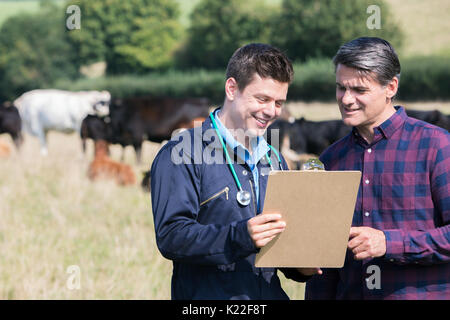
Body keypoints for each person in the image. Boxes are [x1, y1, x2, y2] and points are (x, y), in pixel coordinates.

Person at [150, 43, 320, 300]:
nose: (271, 111)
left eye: (278, 102)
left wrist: (301, 267)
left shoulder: (275, 159)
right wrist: (240, 236)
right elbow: (172, 236)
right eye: (262, 99)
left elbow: (278, 247)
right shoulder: (181, 154)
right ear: (232, 88)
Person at [305, 37, 450, 300]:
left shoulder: (437, 146)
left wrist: (389, 243)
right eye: (340, 88)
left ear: (390, 87)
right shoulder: (330, 160)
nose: (346, 99)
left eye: (359, 90)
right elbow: (324, 265)